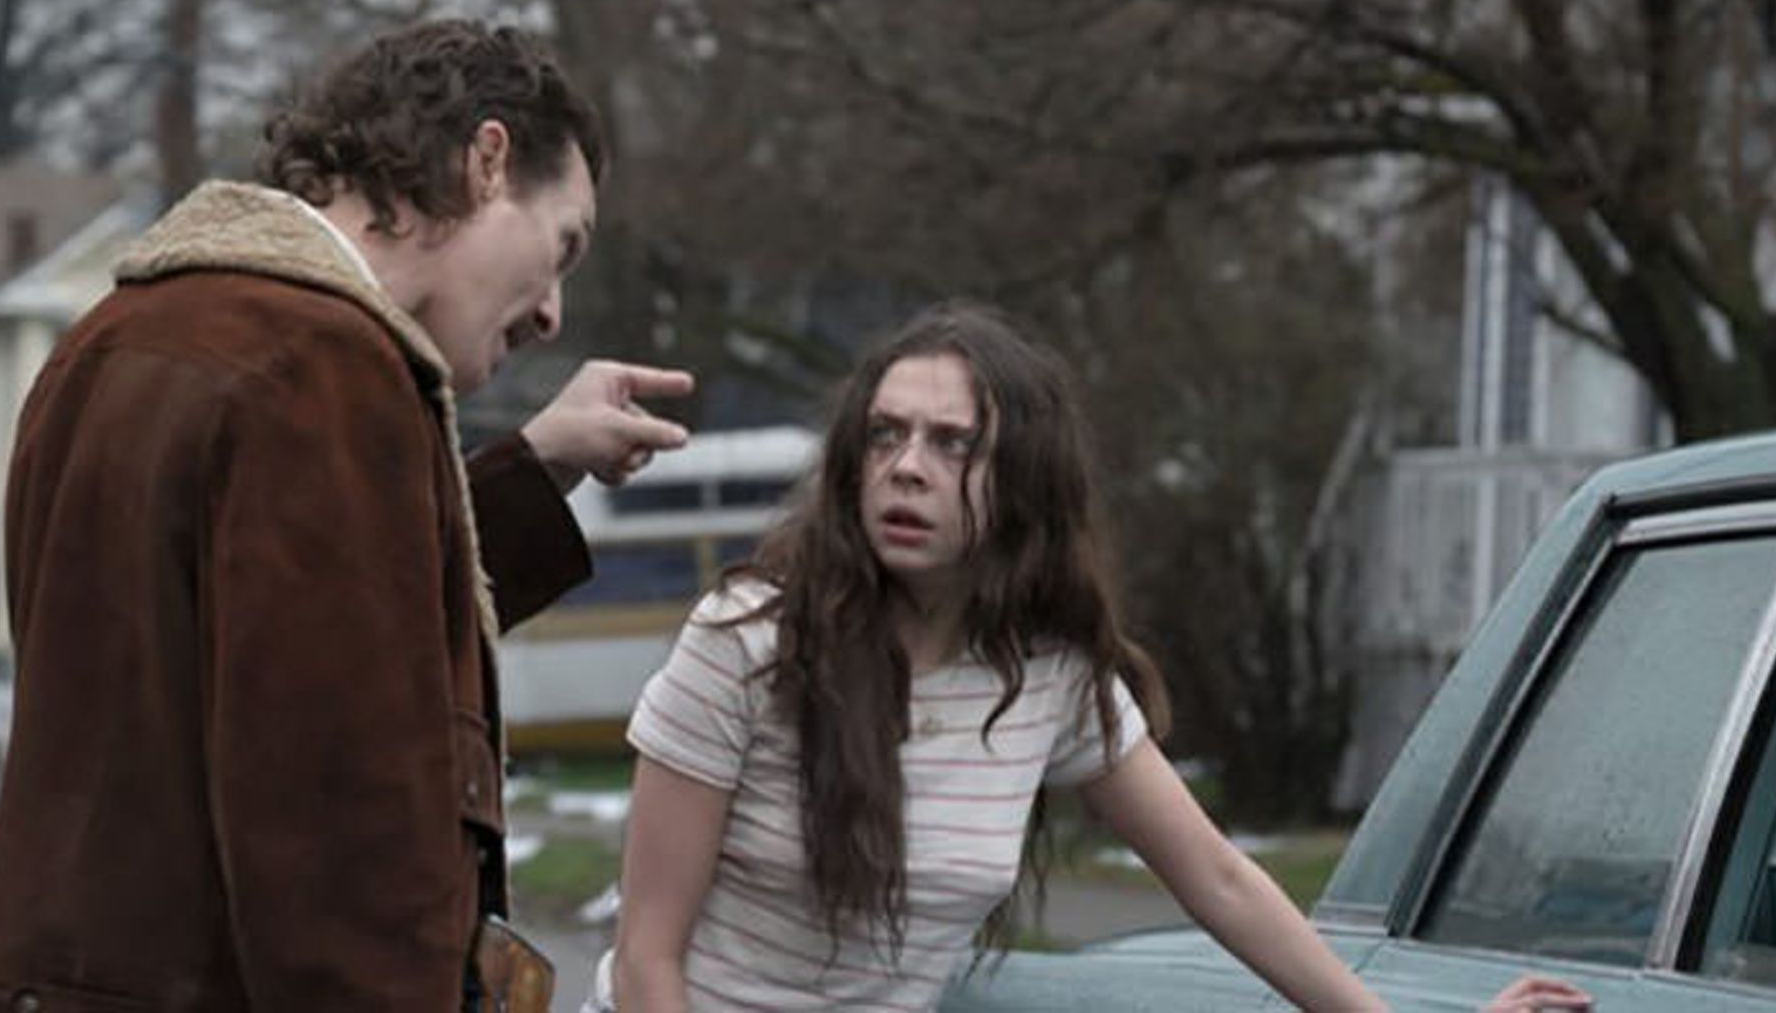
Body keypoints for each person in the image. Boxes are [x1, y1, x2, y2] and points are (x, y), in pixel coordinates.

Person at [0, 19, 693, 1011]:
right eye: (562, 245)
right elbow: (338, 837)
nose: (551, 312)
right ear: (486, 161)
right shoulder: (326, 370)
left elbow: (270, 630)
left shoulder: (114, 341)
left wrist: (538, 465)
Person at [595, 303, 1592, 1012]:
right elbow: (646, 960)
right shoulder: (748, 642)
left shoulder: (1050, 677)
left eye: (952, 444)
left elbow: (1218, 879)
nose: (907, 468)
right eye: (886, 435)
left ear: (1020, 482)